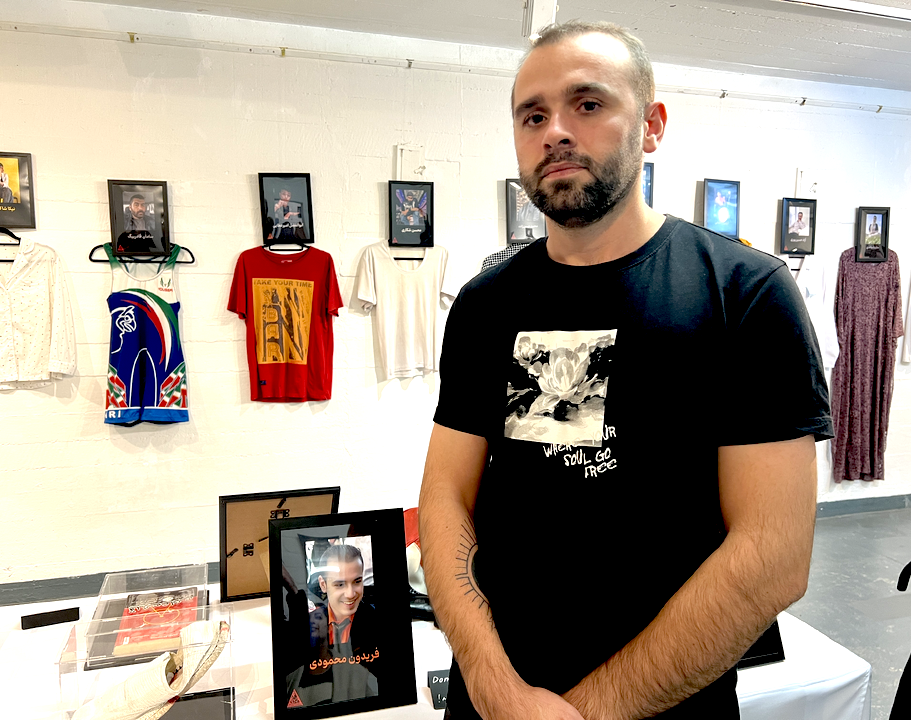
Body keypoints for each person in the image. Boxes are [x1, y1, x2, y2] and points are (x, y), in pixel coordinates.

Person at [419, 20, 831, 720]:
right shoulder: (487, 303)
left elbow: (773, 555)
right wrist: (494, 686)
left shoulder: (745, 292)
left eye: (587, 104)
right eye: (533, 114)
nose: (555, 131)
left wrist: (588, 713)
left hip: (663, 704)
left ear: (653, 124)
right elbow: (443, 501)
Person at [281, 543, 379, 708]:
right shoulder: (309, 625)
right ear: (323, 584)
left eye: (357, 581)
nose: (350, 594)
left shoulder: (376, 623)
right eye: (340, 584)